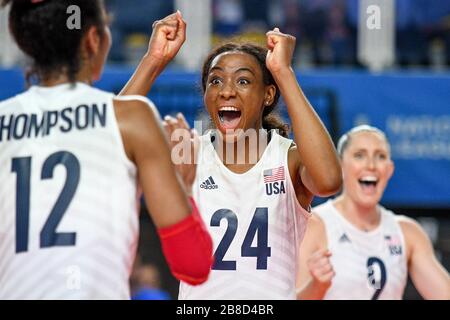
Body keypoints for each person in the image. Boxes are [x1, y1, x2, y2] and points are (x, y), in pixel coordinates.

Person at [0, 0, 213, 299]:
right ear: (93, 39)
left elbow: (87, 129)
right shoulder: (134, 119)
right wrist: (185, 189)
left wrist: (152, 62)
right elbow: (194, 265)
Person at [122, 14, 342, 298]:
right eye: (215, 81)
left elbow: (329, 180)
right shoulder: (187, 151)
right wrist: (152, 60)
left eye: (243, 81)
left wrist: (284, 72)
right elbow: (111, 146)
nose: (226, 91)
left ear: (268, 95)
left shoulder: (287, 158)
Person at [296, 125, 450, 300]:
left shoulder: (408, 233)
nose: (371, 165)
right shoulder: (312, 225)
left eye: (380, 156)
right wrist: (316, 286)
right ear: (340, 166)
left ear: (389, 170)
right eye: (359, 155)